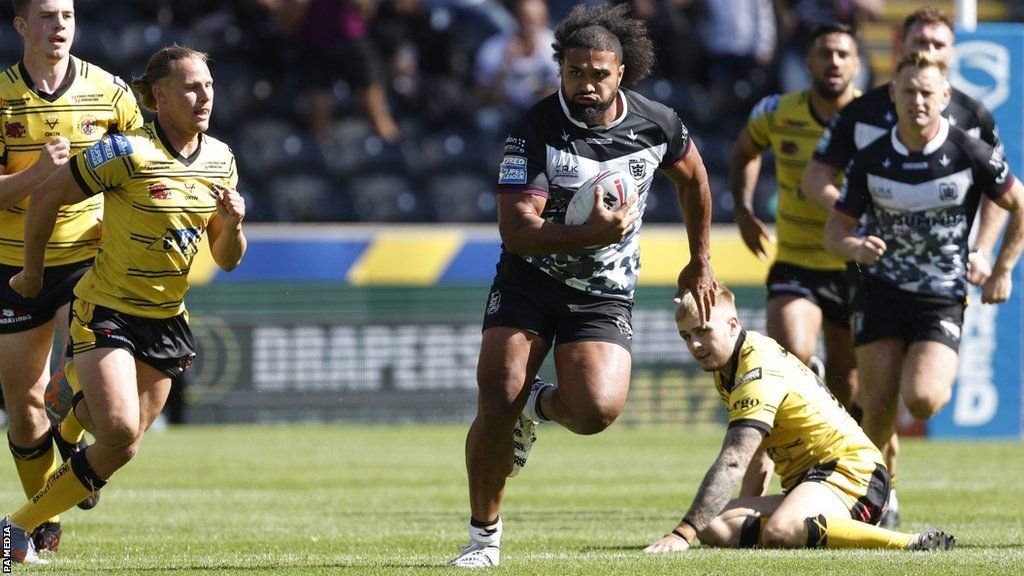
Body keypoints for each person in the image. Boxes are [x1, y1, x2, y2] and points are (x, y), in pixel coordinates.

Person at [449, 3, 717, 567]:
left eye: (599, 74)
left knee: (596, 411)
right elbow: (517, 229)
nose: (586, 85)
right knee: (497, 393)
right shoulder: (535, 127)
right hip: (529, 280)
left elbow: (693, 177)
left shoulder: (657, 124)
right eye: (575, 72)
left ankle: (537, 409)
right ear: (560, 70)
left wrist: (701, 259)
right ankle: (483, 541)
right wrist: (593, 231)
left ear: (621, 73)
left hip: (602, 291)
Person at [1, 44, 246, 564]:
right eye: (191, 87)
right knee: (116, 428)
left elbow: (225, 258)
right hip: (106, 311)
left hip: (167, 320)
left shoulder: (222, 160)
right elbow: (46, 197)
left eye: (209, 87)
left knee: (123, 444)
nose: (204, 97)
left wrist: (236, 226)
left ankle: (66, 416)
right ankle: (15, 531)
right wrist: (34, 270)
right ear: (159, 95)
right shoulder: (125, 152)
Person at [800, 6, 1008, 527]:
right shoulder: (866, 117)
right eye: (921, 43)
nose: (930, 54)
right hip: (876, 274)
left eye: (939, 46)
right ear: (900, 50)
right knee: (874, 399)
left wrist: (985, 254)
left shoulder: (971, 122)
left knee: (919, 398)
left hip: (940, 285)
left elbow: (1003, 197)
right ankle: (878, 498)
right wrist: (860, 222)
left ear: (949, 58)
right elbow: (817, 179)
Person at [643, 284, 956, 552]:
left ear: (732, 324)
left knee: (780, 529)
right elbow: (757, 453)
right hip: (808, 484)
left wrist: (681, 533)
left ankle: (908, 544)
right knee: (712, 526)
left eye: (702, 331)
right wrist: (740, 513)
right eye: (686, 336)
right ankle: (805, 529)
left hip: (853, 474)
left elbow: (735, 459)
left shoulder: (756, 370)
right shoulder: (728, 367)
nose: (694, 345)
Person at [0, 0, 141, 555]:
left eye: (67, 15)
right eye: (45, 15)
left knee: (84, 377)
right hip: (12, 264)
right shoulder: (3, 96)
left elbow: (145, 166)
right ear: (20, 25)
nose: (59, 25)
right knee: (24, 403)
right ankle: (38, 523)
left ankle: (72, 432)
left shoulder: (110, 92)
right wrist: (36, 175)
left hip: (89, 259)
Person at [731, 23, 860, 406]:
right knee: (792, 350)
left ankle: (846, 454)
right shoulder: (776, 111)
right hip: (796, 260)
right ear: (808, 62)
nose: (833, 61)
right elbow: (744, 153)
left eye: (842, 54)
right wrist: (742, 210)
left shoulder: (876, 120)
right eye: (825, 53)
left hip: (857, 263)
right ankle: (805, 379)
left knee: (848, 375)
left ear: (856, 63)